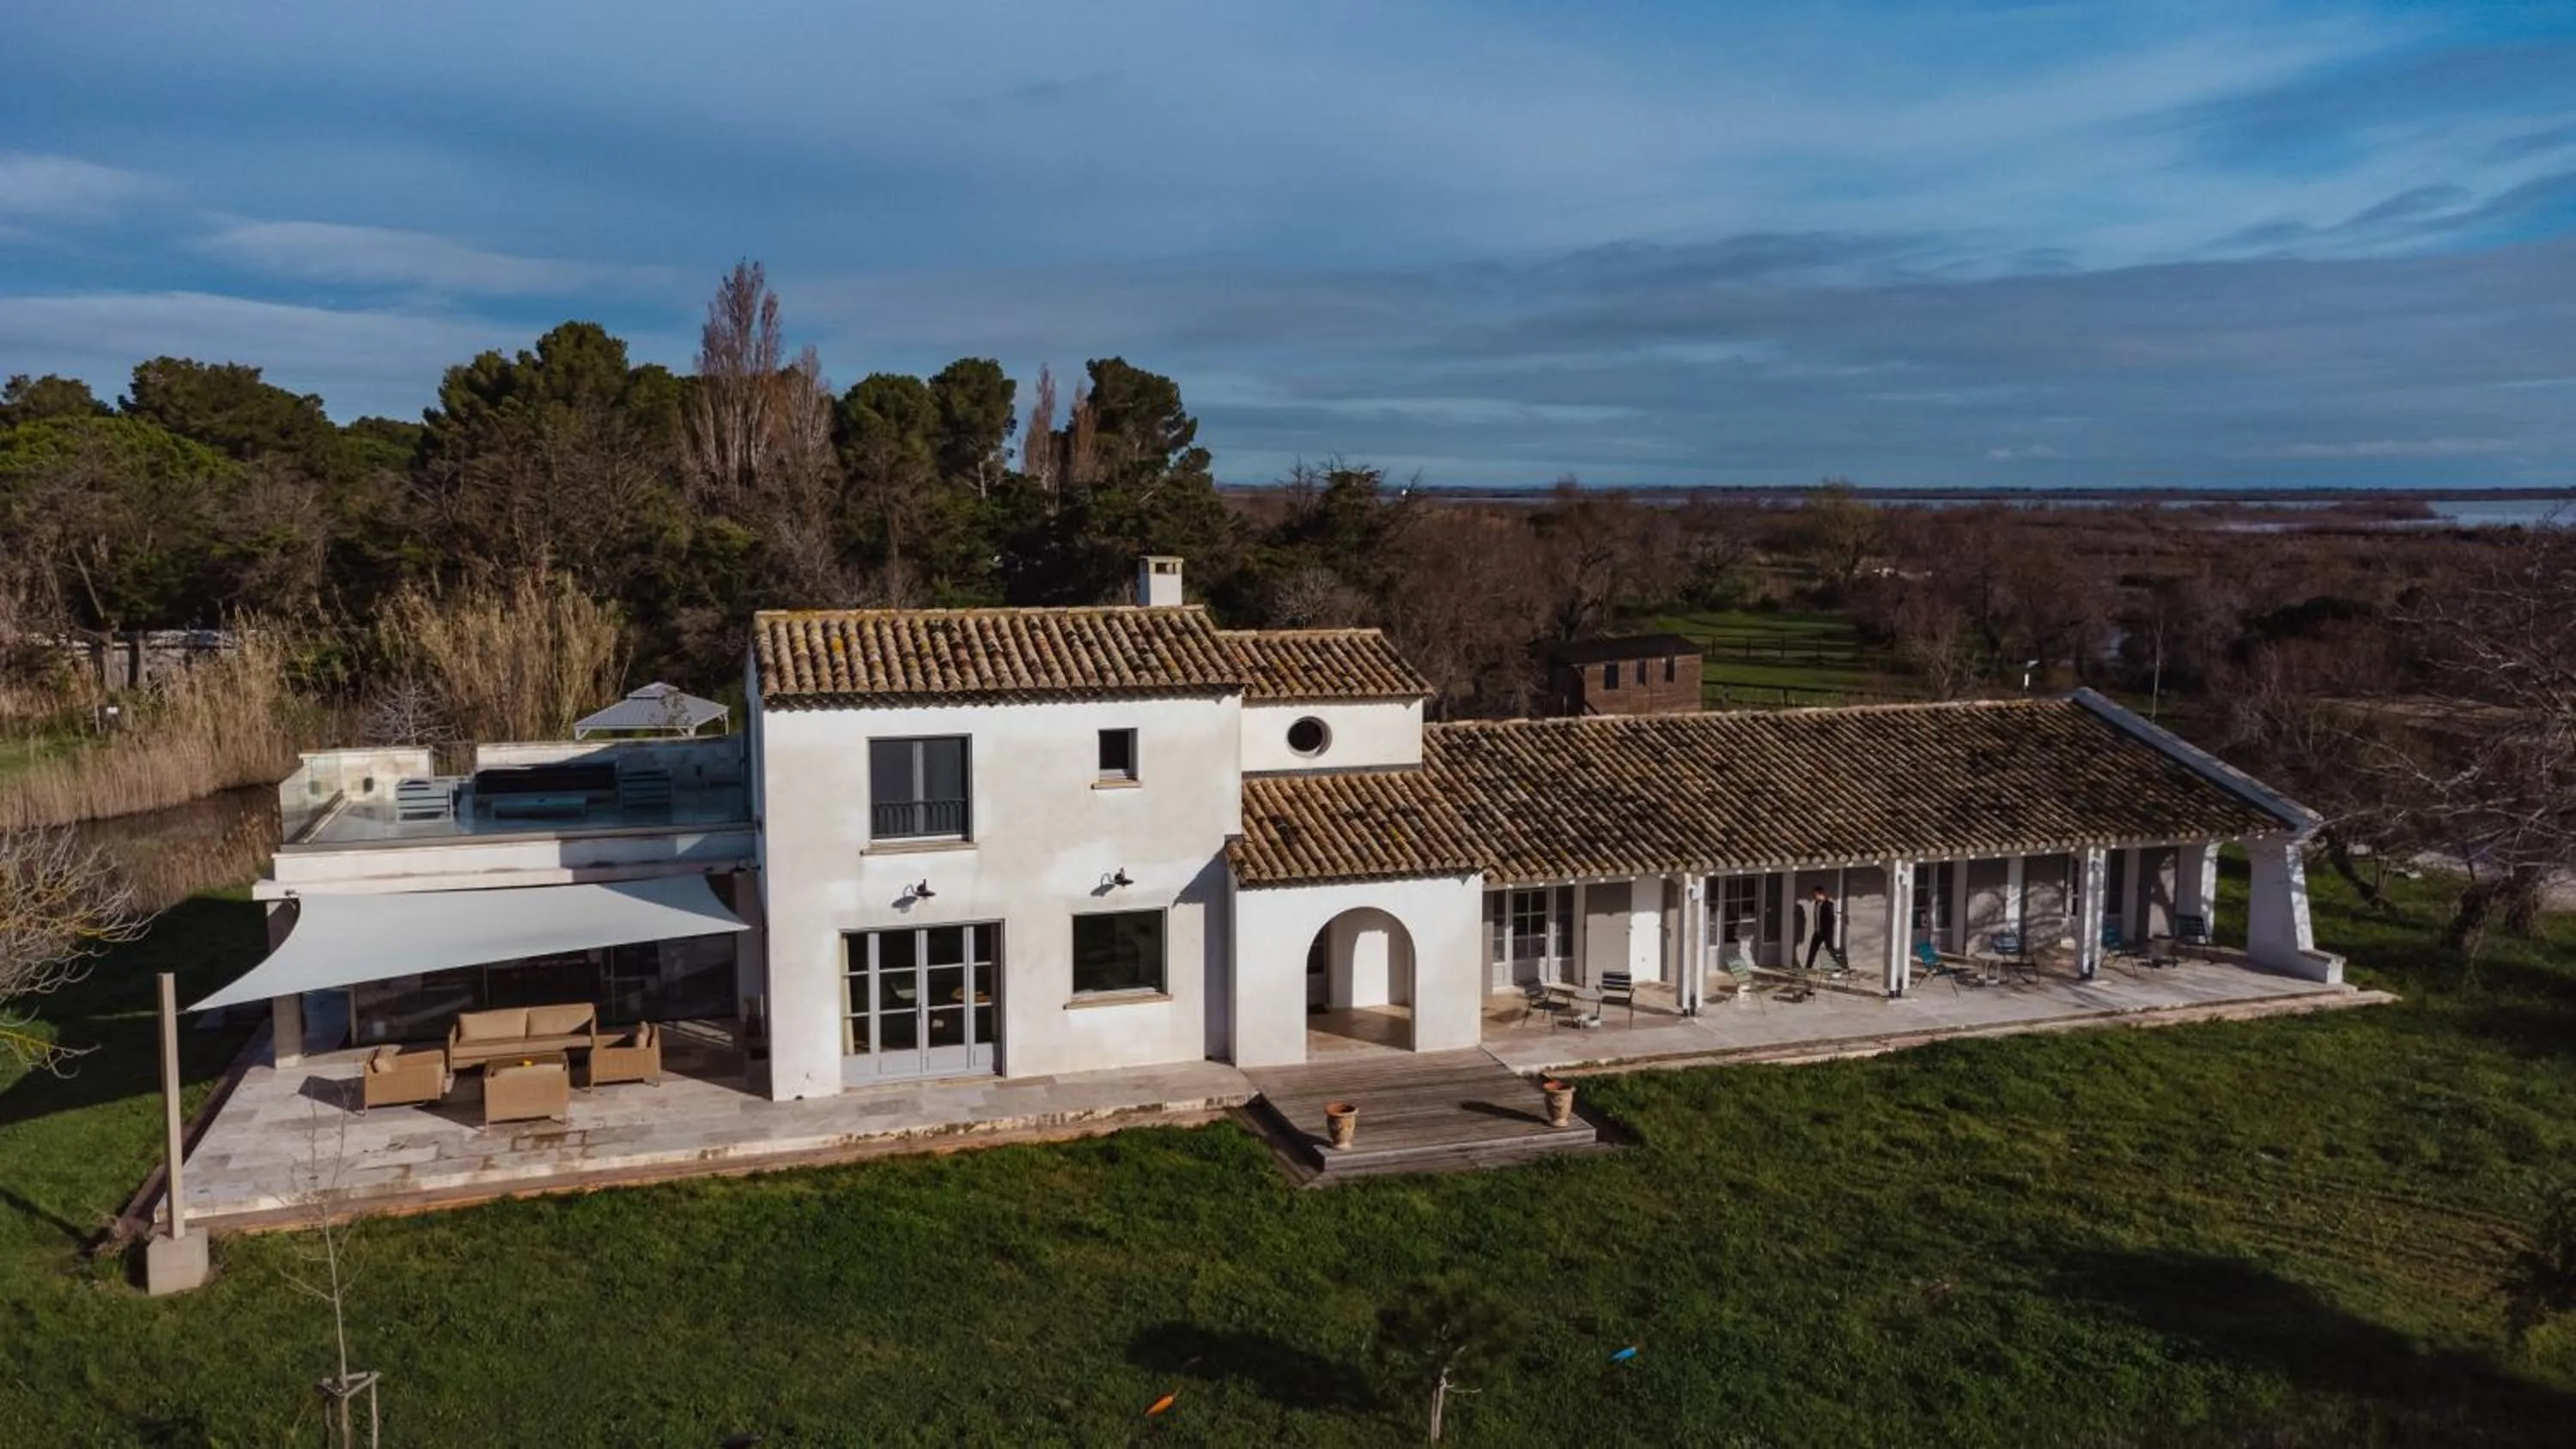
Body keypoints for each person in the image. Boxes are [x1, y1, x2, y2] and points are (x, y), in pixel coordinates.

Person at [1803, 885, 1848, 975]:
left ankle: (1840, 968)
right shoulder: (1816, 904)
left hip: (1826, 933)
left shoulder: (1828, 904)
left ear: (1821, 894)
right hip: (1818, 932)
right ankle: (1807, 969)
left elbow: (1831, 920)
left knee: (1831, 950)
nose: (1814, 896)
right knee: (1812, 950)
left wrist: (1827, 932)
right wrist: (1817, 929)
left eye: (1815, 894)